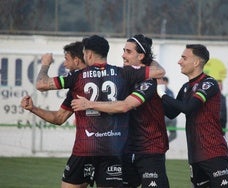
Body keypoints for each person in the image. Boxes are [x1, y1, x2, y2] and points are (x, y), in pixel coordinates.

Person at [33, 35, 165, 188]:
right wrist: (148, 59)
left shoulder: (77, 78)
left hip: (85, 148)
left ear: (88, 54)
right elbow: (159, 72)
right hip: (112, 150)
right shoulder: (122, 74)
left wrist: (45, 64)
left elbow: (41, 84)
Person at [71, 34, 170, 188]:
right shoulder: (123, 77)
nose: (123, 55)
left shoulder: (148, 82)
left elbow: (124, 106)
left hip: (149, 148)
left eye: (128, 52)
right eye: (124, 50)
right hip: (125, 148)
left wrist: (88, 104)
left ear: (141, 56)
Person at [157, 44, 228, 187]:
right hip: (195, 155)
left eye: (184, 58)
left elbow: (189, 108)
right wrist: (153, 95)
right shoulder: (186, 88)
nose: (179, 61)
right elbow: (171, 113)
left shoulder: (209, 83)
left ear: (196, 62)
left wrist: (162, 94)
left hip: (213, 151)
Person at [162, 76, 177, 142]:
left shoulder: (170, 92)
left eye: (164, 82)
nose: (163, 84)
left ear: (167, 83)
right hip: (161, 116)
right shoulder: (157, 91)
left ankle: (165, 144)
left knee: (174, 135)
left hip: (170, 116)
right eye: (162, 82)